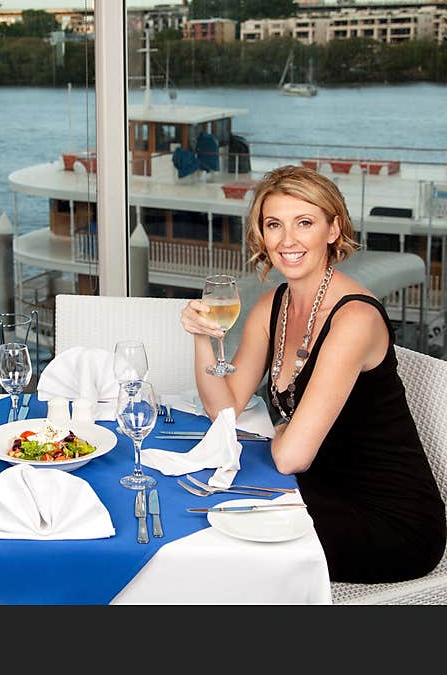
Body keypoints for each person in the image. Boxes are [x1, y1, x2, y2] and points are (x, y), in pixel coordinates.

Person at [180, 165, 444, 584]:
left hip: (388, 520)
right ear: (261, 235)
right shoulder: (273, 306)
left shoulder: (353, 318)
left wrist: (282, 430)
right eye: (274, 224)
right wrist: (199, 337)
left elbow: (290, 456)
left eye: (304, 222)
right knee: (196, 509)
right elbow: (225, 408)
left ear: (333, 229)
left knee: (221, 549)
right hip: (315, 490)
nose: (287, 240)